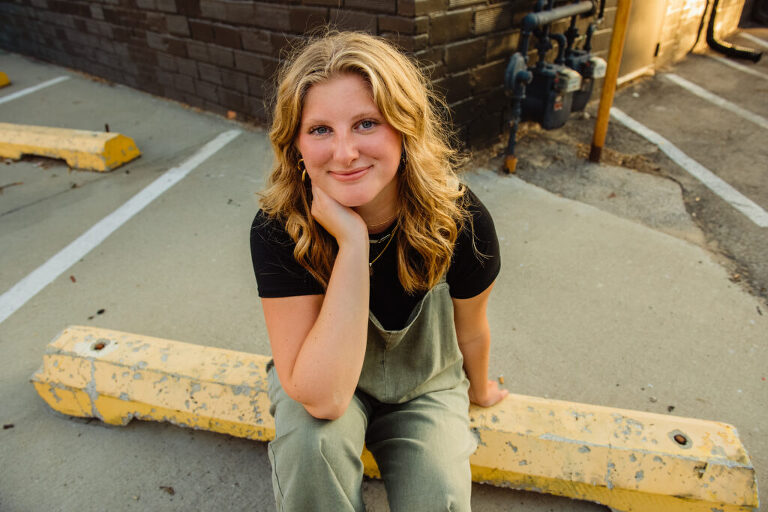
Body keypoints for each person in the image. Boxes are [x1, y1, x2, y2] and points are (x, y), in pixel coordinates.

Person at [250, 30, 507, 512]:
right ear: (295, 143)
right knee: (310, 450)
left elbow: (471, 329)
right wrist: (351, 244)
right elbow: (322, 398)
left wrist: (481, 389)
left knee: (439, 493)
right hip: (323, 377)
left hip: (425, 387)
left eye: (366, 123)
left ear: (405, 126)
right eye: (320, 130)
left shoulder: (461, 220)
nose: (345, 152)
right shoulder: (280, 227)